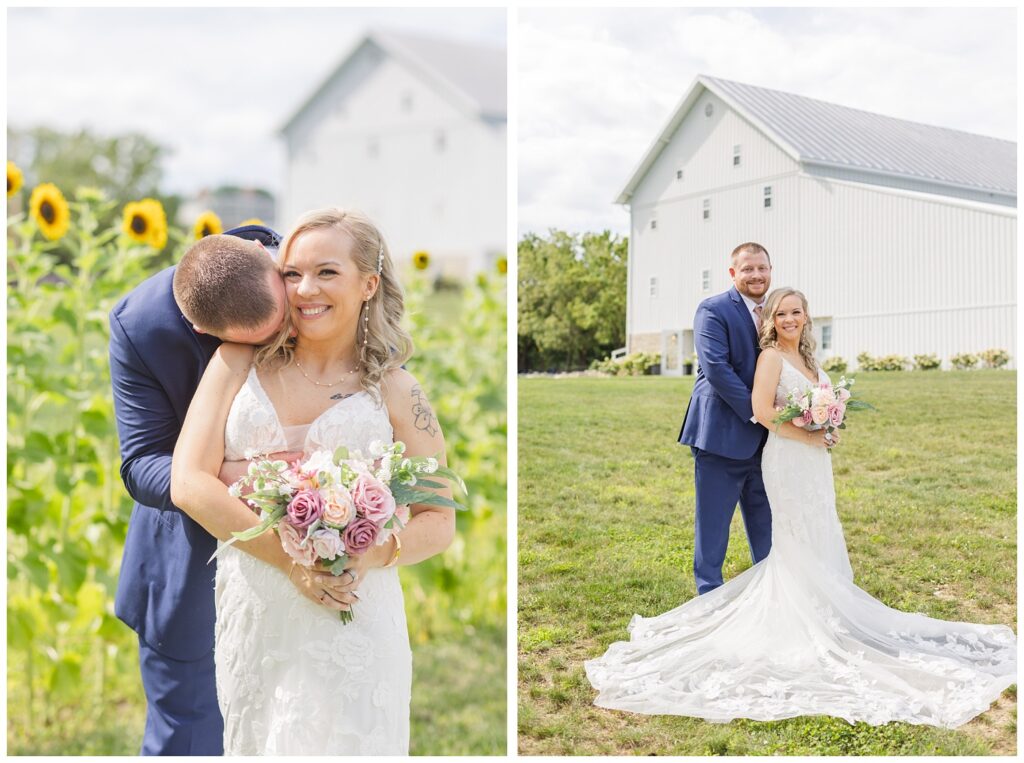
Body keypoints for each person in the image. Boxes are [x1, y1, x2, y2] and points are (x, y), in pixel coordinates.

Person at [585, 287, 1016, 727]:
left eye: (797, 312)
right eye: (782, 313)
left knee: (819, 527)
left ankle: (829, 611)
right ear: (771, 320)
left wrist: (828, 425)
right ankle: (798, 616)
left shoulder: (810, 360)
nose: (790, 319)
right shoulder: (770, 357)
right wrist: (810, 433)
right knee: (791, 536)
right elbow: (763, 410)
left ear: (807, 317)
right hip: (787, 460)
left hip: (814, 464)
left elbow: (817, 406)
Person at [170, 208, 456, 755]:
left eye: (327, 272)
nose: (305, 290)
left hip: (353, 616)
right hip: (257, 607)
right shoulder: (237, 362)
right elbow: (188, 482)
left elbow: (439, 520)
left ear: (368, 284)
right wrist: (291, 562)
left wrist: (371, 554)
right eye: (291, 273)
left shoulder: (397, 390)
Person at [110, 226, 350, 756]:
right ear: (200, 328)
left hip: (319, 549)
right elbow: (140, 463)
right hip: (191, 566)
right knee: (191, 739)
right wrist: (243, 475)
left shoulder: (312, 269)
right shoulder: (140, 326)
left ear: (277, 270)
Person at [678, 242, 774, 594]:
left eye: (762, 268)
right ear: (733, 273)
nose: (756, 275)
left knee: (768, 526)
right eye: (748, 269)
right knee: (714, 528)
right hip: (720, 436)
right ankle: (709, 598)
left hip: (768, 443)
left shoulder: (777, 310)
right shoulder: (713, 310)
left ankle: (770, 595)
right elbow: (717, 370)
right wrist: (758, 413)